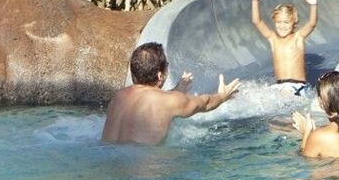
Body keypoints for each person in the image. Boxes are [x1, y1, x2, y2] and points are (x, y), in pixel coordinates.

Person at [100, 42, 242, 146]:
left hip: (109, 167)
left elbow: (149, 102)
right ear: (160, 74)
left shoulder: (119, 97)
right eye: (166, 65)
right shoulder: (170, 100)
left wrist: (177, 89)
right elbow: (205, 103)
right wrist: (222, 96)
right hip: (144, 176)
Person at [250, 0, 319, 89]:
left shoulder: (298, 37)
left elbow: (312, 23)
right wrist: (255, 0)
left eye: (286, 22)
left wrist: (313, 5)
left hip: (297, 85)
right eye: (279, 22)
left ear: (294, 23)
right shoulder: (272, 39)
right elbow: (257, 21)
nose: (282, 26)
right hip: (279, 85)